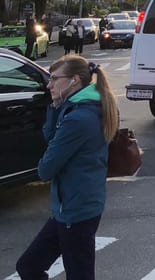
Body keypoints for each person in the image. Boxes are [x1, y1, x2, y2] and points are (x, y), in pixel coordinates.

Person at [16, 55, 119, 280]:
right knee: (28, 266)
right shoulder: (80, 108)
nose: (49, 84)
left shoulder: (78, 119)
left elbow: (46, 170)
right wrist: (54, 107)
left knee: (77, 275)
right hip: (72, 206)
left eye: (54, 79)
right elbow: (52, 136)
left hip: (76, 210)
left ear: (74, 81)